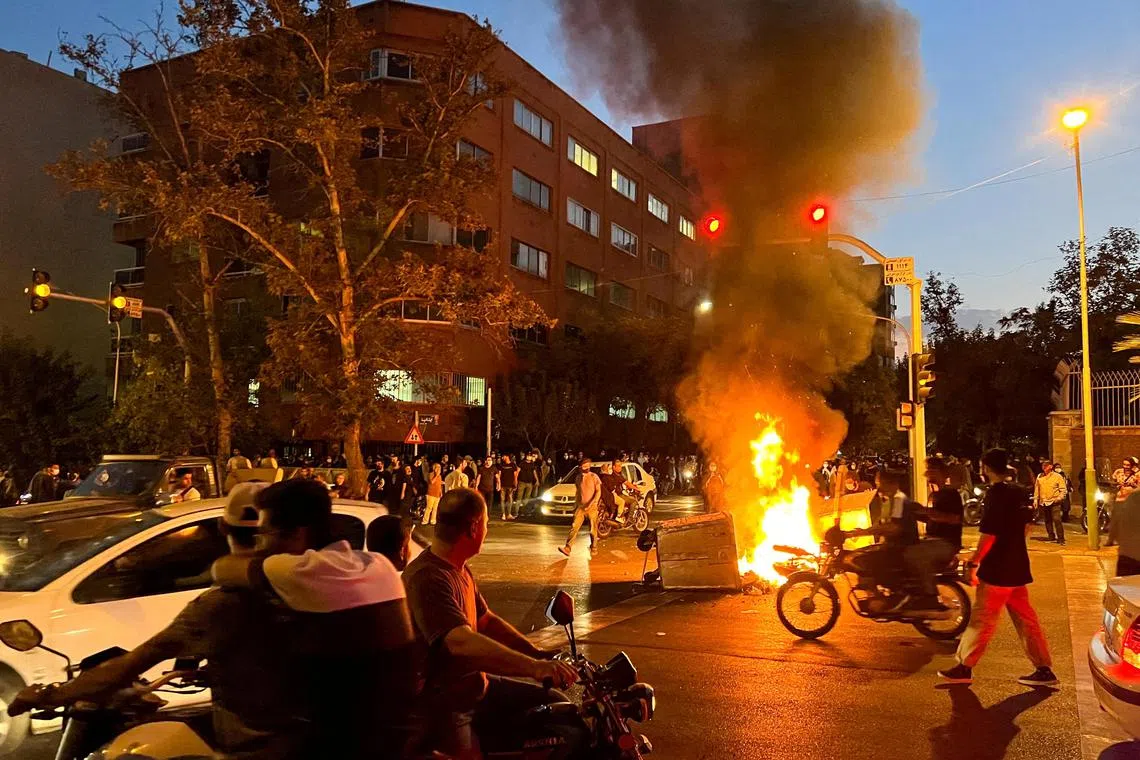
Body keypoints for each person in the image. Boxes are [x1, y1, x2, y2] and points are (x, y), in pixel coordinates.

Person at [7, 483, 311, 757]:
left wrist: (49, 694)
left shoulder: (221, 604)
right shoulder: (312, 590)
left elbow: (128, 666)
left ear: (222, 528)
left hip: (254, 747)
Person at [212, 479, 419, 757]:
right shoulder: (378, 564)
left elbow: (222, 568)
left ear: (297, 534)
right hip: (397, 731)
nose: (262, 544)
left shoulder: (298, 570)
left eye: (266, 533)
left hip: (342, 742)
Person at [402, 488, 577, 757]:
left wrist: (538, 654)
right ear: (473, 528)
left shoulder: (458, 567)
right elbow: (460, 641)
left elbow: (485, 620)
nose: (487, 530)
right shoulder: (428, 577)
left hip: (476, 687)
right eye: (485, 524)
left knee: (557, 711)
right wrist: (533, 668)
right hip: (449, 704)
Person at [939, 449, 1058, 687]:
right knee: (1026, 620)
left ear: (986, 468)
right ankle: (1043, 668)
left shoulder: (995, 495)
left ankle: (964, 667)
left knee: (981, 619)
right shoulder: (1019, 491)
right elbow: (1027, 526)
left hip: (996, 570)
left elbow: (989, 534)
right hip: (1017, 567)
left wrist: (974, 562)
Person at [845, 469, 921, 611]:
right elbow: (880, 523)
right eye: (877, 484)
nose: (879, 488)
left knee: (870, 562)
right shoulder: (888, 501)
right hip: (890, 544)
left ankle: (885, 599)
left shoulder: (899, 500)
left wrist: (866, 532)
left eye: (882, 484)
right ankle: (876, 595)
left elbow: (893, 527)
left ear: (893, 484)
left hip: (902, 547)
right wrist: (859, 532)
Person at [907, 457, 964, 610]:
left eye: (932, 470)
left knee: (916, 554)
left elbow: (953, 518)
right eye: (928, 470)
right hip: (932, 541)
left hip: (946, 543)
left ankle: (930, 597)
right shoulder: (935, 495)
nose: (928, 473)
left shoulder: (951, 494)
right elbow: (931, 518)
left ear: (942, 473)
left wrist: (925, 511)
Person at [559, 458, 602, 558]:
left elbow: (598, 491)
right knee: (574, 527)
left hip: (592, 507)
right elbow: (578, 492)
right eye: (584, 466)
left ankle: (594, 547)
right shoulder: (578, 478)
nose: (586, 467)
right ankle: (568, 548)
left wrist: (593, 503)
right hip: (581, 507)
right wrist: (576, 505)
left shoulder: (594, 477)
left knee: (592, 529)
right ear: (580, 467)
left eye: (588, 465)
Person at [1033, 460, 1067, 545]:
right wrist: (1035, 499)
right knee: (1047, 520)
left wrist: (1059, 498)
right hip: (1044, 501)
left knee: (1057, 519)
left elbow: (1063, 489)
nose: (1044, 467)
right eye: (1043, 466)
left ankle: (1061, 538)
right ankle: (1051, 536)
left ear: (1050, 467)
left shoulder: (1057, 476)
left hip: (1054, 501)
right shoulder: (1040, 476)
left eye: (1046, 466)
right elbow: (1037, 489)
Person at [498, 455, 519, 521]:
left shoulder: (513, 465)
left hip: (510, 485)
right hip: (503, 485)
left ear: (507, 457)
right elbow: (499, 475)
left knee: (510, 500)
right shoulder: (501, 465)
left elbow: (515, 476)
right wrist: (498, 484)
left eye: (504, 456)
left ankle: (509, 514)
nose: (502, 457)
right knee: (502, 500)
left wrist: (515, 484)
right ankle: (503, 514)